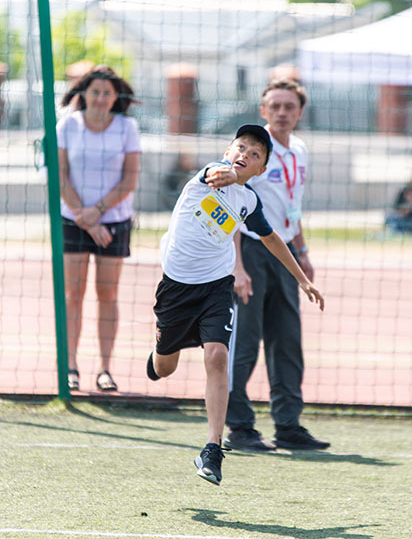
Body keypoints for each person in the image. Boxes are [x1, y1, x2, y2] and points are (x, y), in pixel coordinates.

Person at [146, 124, 324, 486]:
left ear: (261, 170)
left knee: (217, 357)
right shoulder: (206, 177)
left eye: (255, 154)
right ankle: (160, 350)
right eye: (240, 147)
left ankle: (212, 448)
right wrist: (226, 171)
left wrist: (302, 279)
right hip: (177, 289)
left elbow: (273, 239)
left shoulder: (249, 201)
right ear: (228, 151)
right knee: (165, 367)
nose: (245, 154)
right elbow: (219, 173)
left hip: (216, 287)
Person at [224, 78, 330, 452]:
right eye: (275, 106)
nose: (282, 113)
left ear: (300, 112)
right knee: (245, 342)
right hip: (250, 251)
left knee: (287, 340)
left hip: (284, 252)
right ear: (263, 110)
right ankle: (238, 425)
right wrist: (236, 265)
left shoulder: (298, 150)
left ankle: (288, 424)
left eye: (290, 107)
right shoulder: (249, 151)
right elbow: (229, 207)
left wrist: (302, 254)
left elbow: (292, 207)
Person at [57, 65, 141, 393]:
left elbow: (130, 179)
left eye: (108, 93)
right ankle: (70, 367)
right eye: (95, 91)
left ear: (116, 96)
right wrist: (85, 217)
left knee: (107, 294)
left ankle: (105, 369)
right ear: (83, 93)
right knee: (72, 295)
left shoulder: (127, 128)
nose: (101, 98)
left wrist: (99, 213)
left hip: (114, 221)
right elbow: (60, 176)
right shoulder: (67, 125)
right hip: (74, 219)